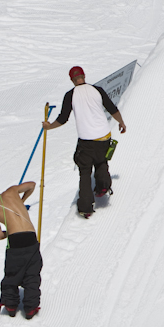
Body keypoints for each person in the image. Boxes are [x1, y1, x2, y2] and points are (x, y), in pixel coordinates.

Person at [44, 66, 126, 218]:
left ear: (72, 79)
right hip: (104, 136)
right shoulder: (98, 90)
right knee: (101, 161)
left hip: (87, 140)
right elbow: (112, 108)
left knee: (85, 171)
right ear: (84, 76)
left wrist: (49, 127)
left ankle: (86, 208)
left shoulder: (70, 95)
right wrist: (121, 123)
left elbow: (63, 119)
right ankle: (103, 188)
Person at [0, 181, 43, 318]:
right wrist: (21, 201)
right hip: (31, 236)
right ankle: (31, 307)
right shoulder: (12, 191)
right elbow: (32, 185)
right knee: (32, 273)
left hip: (15, 242)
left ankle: (11, 305)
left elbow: (0, 235)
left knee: (12, 274)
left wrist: (11, 231)